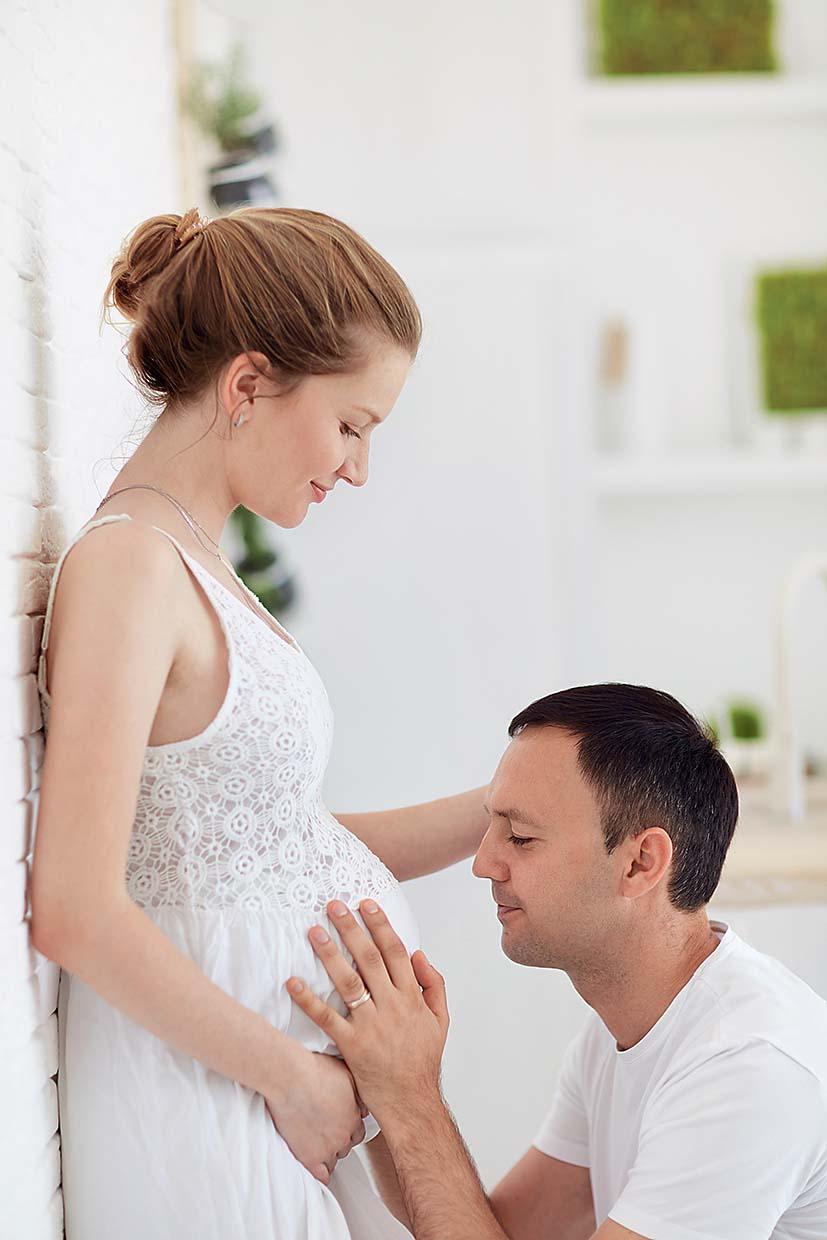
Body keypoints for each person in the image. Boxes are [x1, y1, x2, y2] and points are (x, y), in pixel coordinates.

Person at [30, 205, 490, 1239]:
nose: (357, 468)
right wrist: (292, 1076)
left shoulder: (192, 560)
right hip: (200, 1103)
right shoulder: (129, 567)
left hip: (253, 1101)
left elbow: (262, 846)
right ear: (246, 385)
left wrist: (498, 811)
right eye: (351, 425)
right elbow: (74, 906)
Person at [290, 683, 827, 1240]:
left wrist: (409, 1094)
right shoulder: (619, 1035)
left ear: (641, 863)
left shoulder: (750, 1066)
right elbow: (489, 1232)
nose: (483, 863)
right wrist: (384, 1079)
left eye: (520, 837)